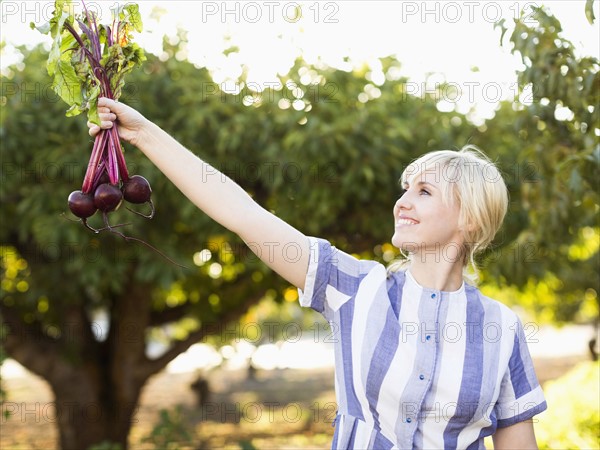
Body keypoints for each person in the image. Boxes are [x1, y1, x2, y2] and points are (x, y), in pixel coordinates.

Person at [89, 97, 547, 449]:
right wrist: (144, 134)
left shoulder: (501, 329)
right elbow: (242, 212)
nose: (402, 202)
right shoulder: (355, 287)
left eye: (423, 191)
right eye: (404, 189)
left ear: (469, 219)